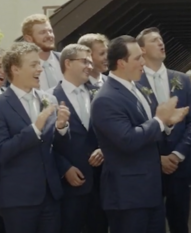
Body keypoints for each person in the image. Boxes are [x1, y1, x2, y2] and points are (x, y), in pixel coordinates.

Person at [91, 35, 187, 233]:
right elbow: (127, 139)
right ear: (121, 63)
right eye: (137, 58)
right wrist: (160, 120)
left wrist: (167, 123)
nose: (143, 62)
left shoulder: (136, 88)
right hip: (127, 196)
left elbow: (148, 128)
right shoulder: (106, 99)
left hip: (149, 191)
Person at [0, 42, 71, 233]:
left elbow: (55, 147)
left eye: (39, 64)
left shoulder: (49, 99)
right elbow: (1, 152)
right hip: (19, 200)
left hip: (50, 195)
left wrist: (62, 127)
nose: (40, 69)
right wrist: (35, 128)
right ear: (15, 69)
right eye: (33, 65)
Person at [136, 28, 191, 233]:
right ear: (142, 50)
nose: (161, 43)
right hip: (149, 166)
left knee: (180, 222)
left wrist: (178, 154)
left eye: (161, 40)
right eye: (154, 41)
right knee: (152, 224)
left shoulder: (182, 79)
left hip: (179, 164)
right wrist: (157, 158)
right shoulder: (134, 83)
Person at [50, 44, 104, 233]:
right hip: (69, 185)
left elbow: (108, 130)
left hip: (100, 182)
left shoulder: (99, 94)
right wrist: (64, 168)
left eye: (90, 61)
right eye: (84, 61)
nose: (90, 66)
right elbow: (44, 142)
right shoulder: (49, 98)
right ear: (68, 63)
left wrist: (103, 149)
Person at [76, 32, 111, 233]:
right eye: (102, 53)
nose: (106, 57)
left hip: (110, 165)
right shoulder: (77, 87)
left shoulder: (110, 84)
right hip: (86, 168)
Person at [22, 14, 62, 90]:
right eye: (42, 32)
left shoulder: (65, 61)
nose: (49, 35)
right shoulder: (22, 68)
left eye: (50, 31)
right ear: (29, 38)